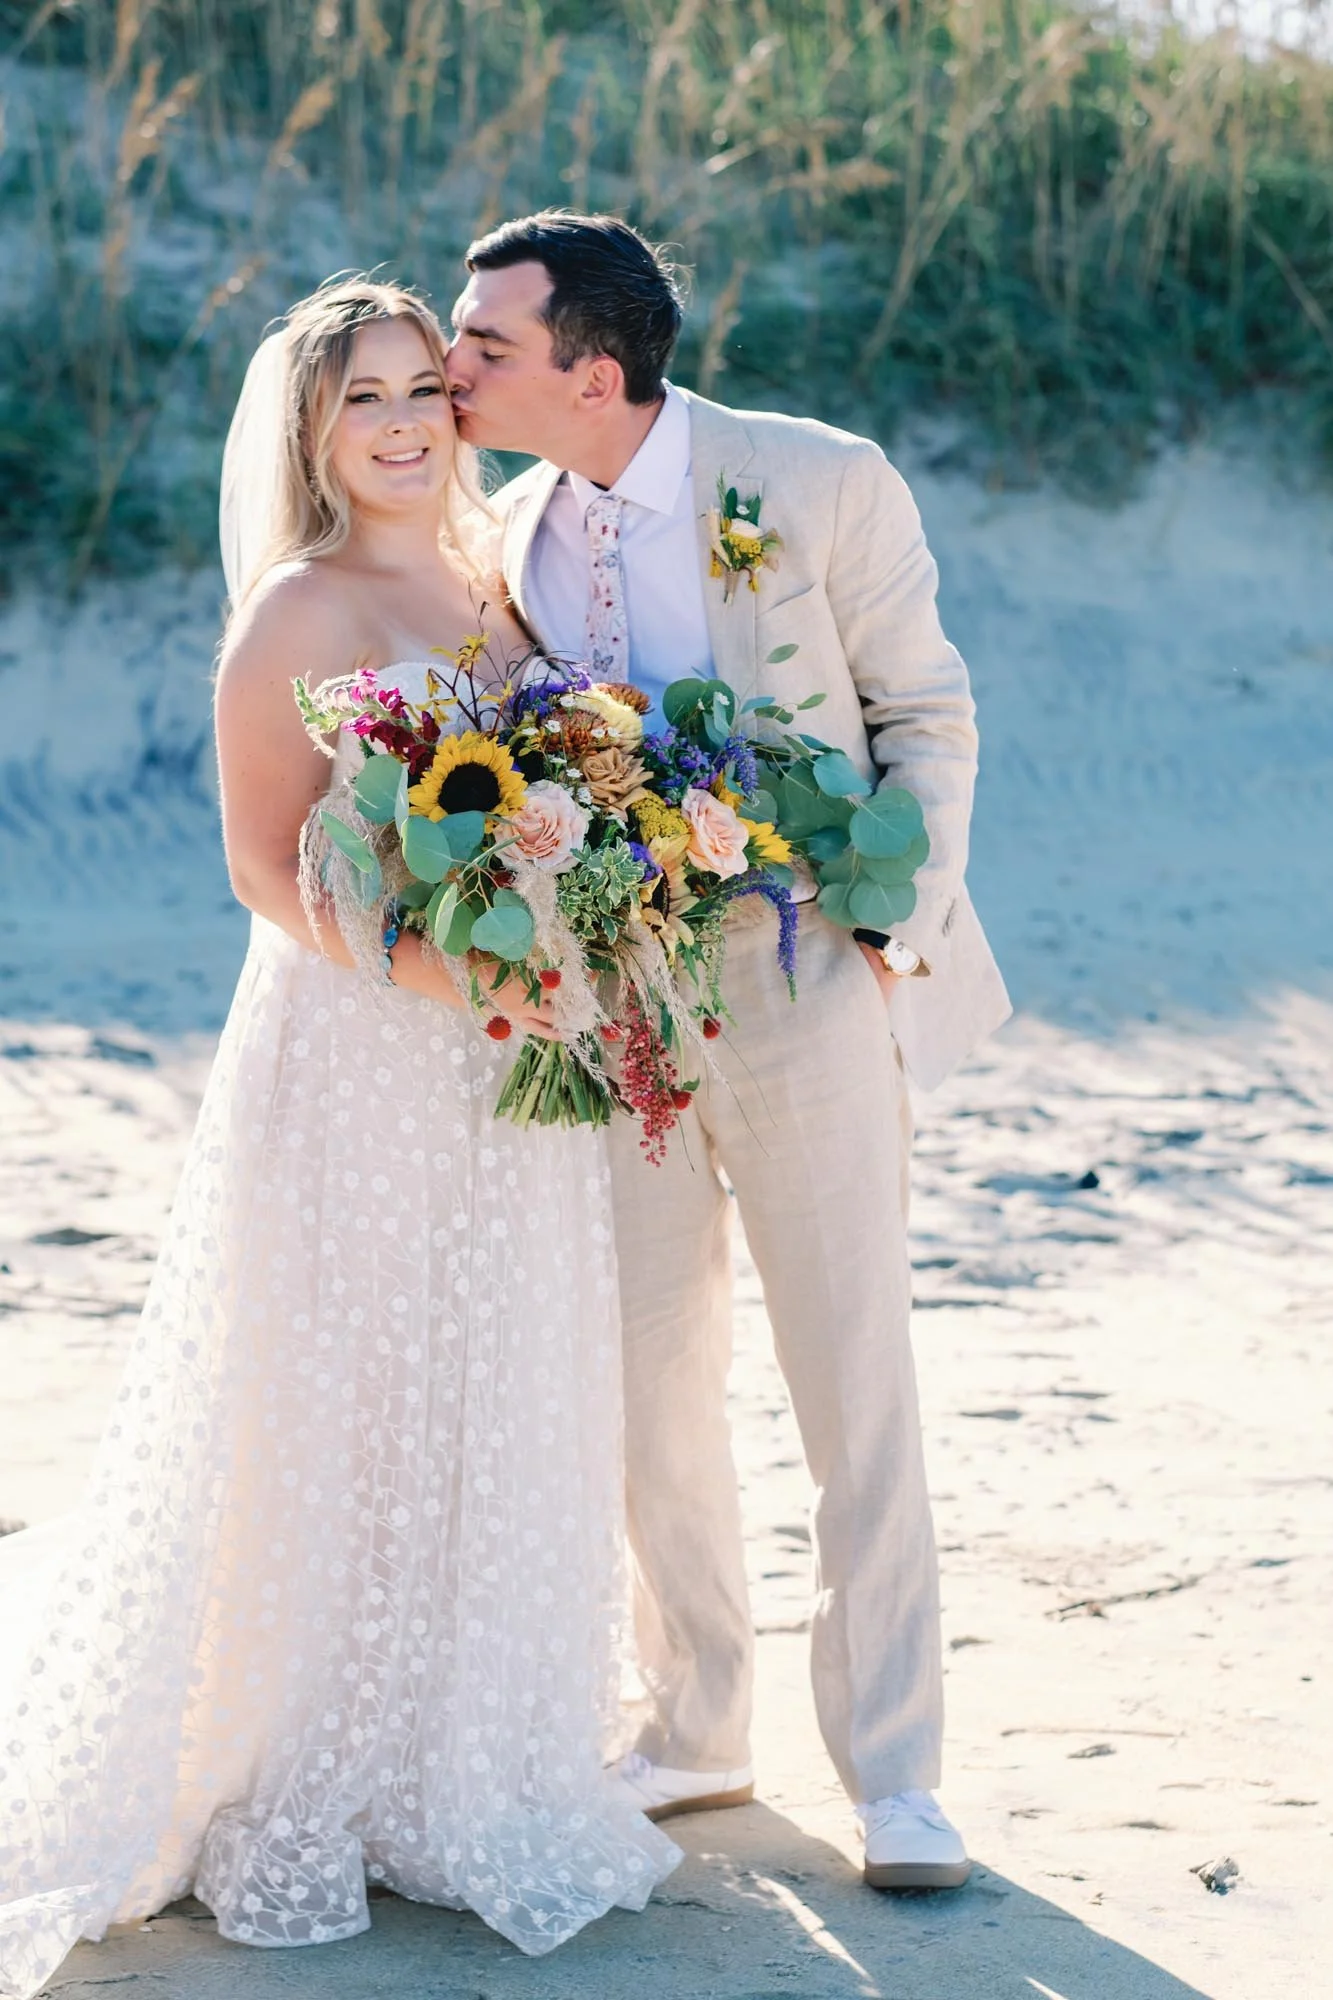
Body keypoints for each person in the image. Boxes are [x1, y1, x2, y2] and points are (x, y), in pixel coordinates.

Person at [0, 277, 678, 2000]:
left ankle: (457, 1762)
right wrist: (460, 978)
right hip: (360, 1052)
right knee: (342, 1386)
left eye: (418, 389)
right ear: (308, 430)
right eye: (357, 396)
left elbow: (558, 790)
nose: (395, 422)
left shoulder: (491, 580)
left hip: (507, 1058)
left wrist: (570, 933)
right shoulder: (295, 612)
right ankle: (306, 1761)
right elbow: (261, 868)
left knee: (491, 1376)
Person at [445, 212, 1011, 1890]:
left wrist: (888, 921)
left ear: (591, 372)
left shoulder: (818, 480)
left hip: (805, 968)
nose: (452, 366)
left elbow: (928, 714)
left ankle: (896, 1776)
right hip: (612, 997)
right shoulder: (503, 535)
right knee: (646, 1375)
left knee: (853, 1378)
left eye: (485, 344)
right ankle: (697, 1724)